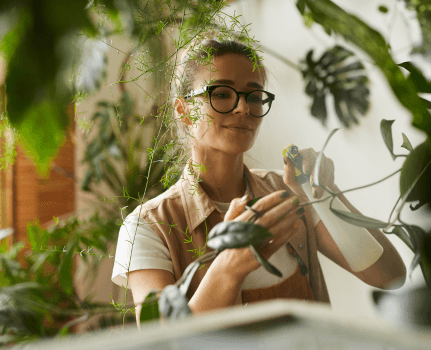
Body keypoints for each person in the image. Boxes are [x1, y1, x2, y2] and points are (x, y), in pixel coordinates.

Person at [111, 38, 406, 325]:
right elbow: (161, 345)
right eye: (222, 93)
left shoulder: (290, 193)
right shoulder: (148, 226)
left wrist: (325, 192)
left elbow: (389, 276)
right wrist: (230, 267)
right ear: (183, 110)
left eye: (254, 96)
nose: (243, 108)